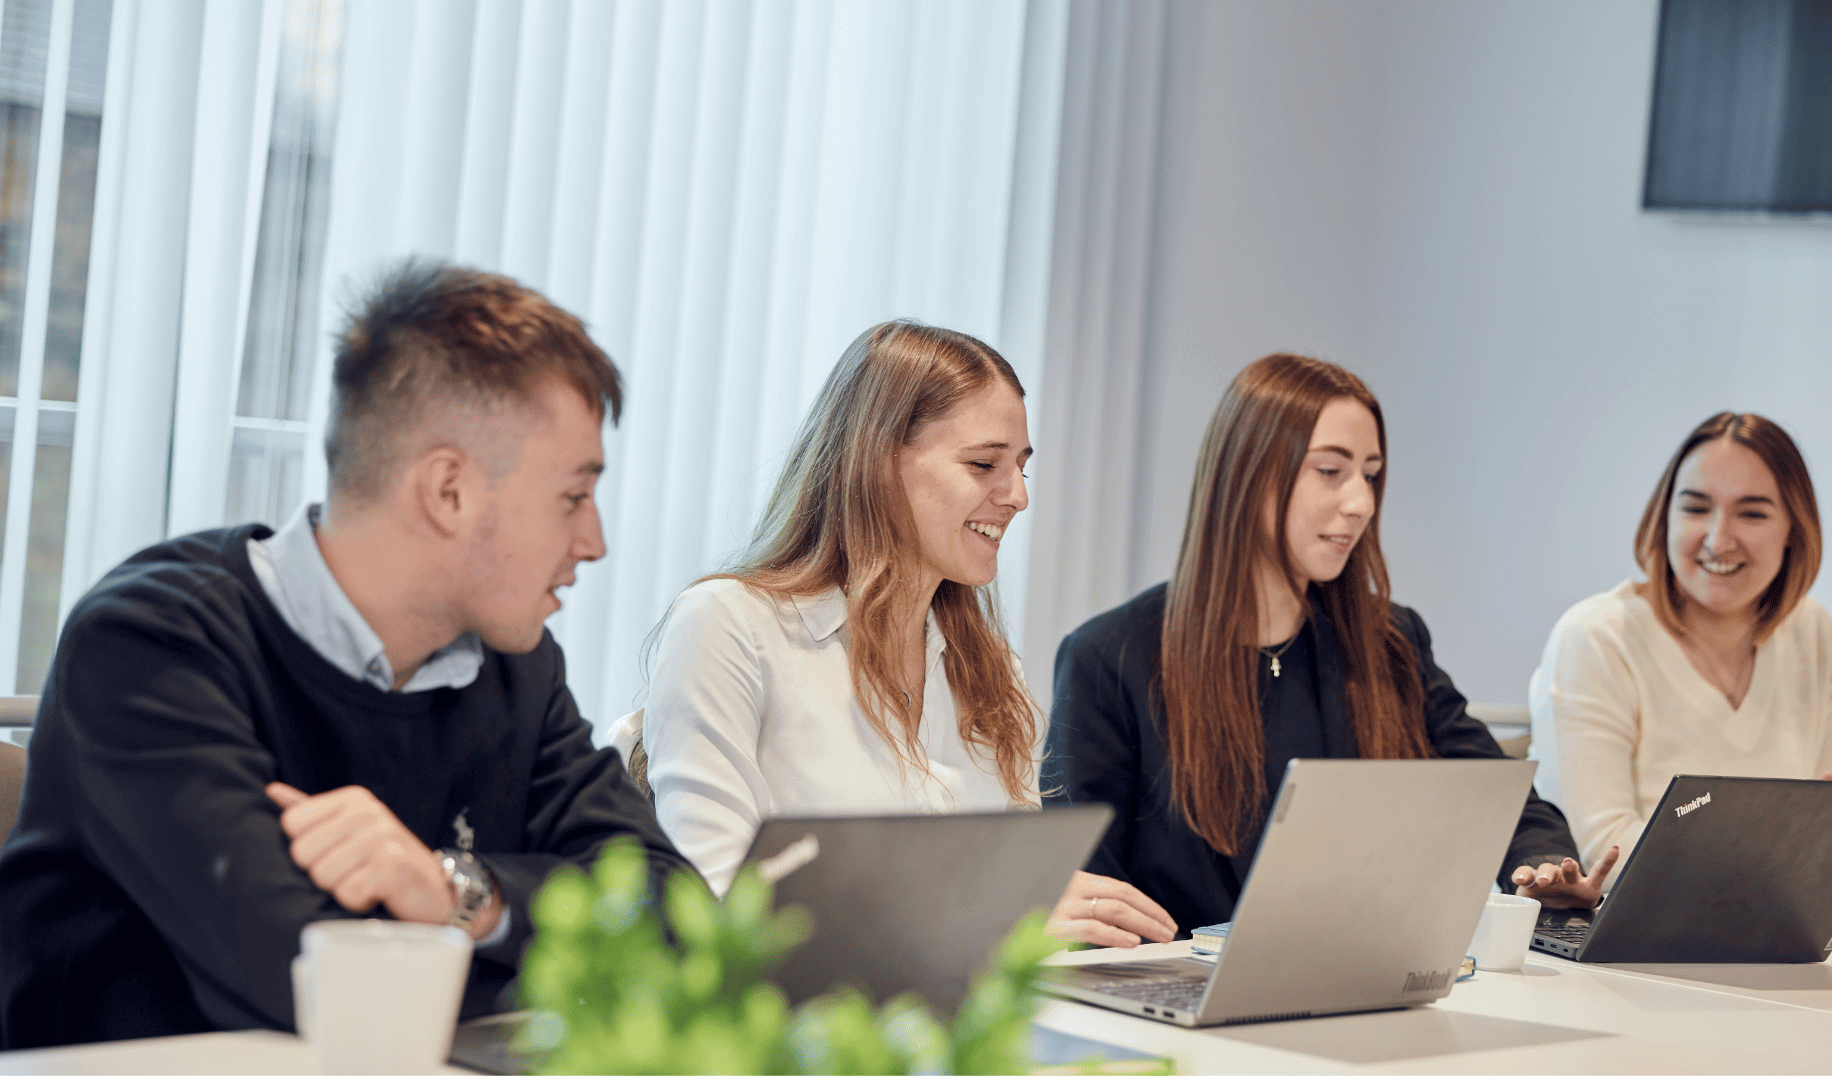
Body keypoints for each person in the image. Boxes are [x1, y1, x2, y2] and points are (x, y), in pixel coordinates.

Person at [0, 261, 688, 1048]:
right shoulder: (148, 646)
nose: (593, 542)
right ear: (449, 491)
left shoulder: (515, 669)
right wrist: (544, 937)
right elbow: (306, 982)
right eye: (573, 497)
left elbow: (674, 915)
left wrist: (461, 893)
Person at [639, 321, 1176, 948]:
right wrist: (993, 915)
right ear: (877, 463)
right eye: (984, 464)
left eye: (1022, 467)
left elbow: (1016, 902)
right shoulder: (729, 626)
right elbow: (715, 910)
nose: (1018, 497)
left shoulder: (989, 668)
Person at [1045, 353, 1602, 939]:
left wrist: (1544, 865)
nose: (1360, 502)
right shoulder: (1109, 658)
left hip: (1362, 981)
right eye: (1331, 472)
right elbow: (1087, 897)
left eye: (1371, 473)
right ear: (1248, 473)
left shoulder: (1391, 643)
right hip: (1179, 1005)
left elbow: (1498, 796)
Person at [1529, 411, 1832, 877]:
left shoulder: (1811, 630)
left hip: (1777, 933)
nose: (1719, 539)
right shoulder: (1595, 636)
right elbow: (1605, 852)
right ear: (1664, 519)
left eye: (1752, 513)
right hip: (1637, 941)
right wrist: (1803, 854)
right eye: (1696, 508)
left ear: (1793, 531)